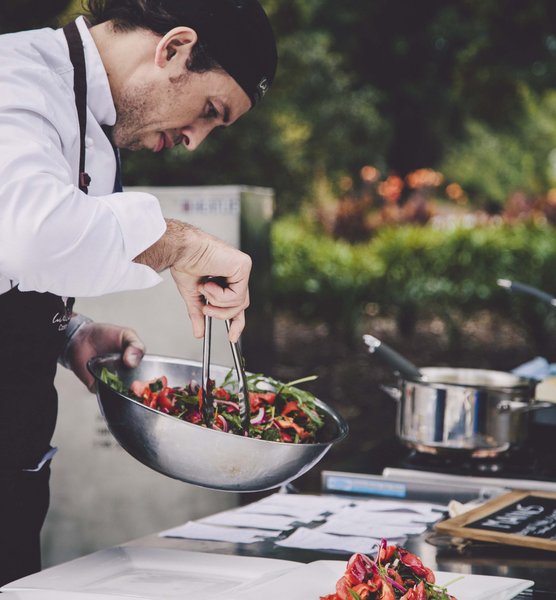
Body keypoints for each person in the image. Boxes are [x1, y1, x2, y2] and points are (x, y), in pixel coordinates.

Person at [0, 0, 277, 585]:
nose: (194, 139)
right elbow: (32, 235)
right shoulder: (16, 76)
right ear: (174, 48)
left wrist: (62, 331)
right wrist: (182, 246)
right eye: (209, 110)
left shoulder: (86, 114)